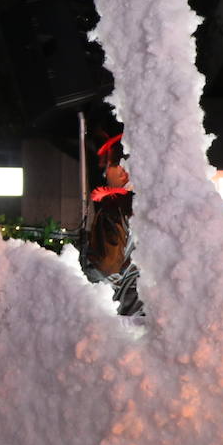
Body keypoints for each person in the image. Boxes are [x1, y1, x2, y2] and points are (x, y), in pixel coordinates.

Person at [79, 133, 143, 317]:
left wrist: (86, 257)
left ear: (123, 171)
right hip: (153, 311)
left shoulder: (115, 207)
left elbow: (105, 265)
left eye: (108, 167)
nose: (104, 173)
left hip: (125, 315)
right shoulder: (154, 205)